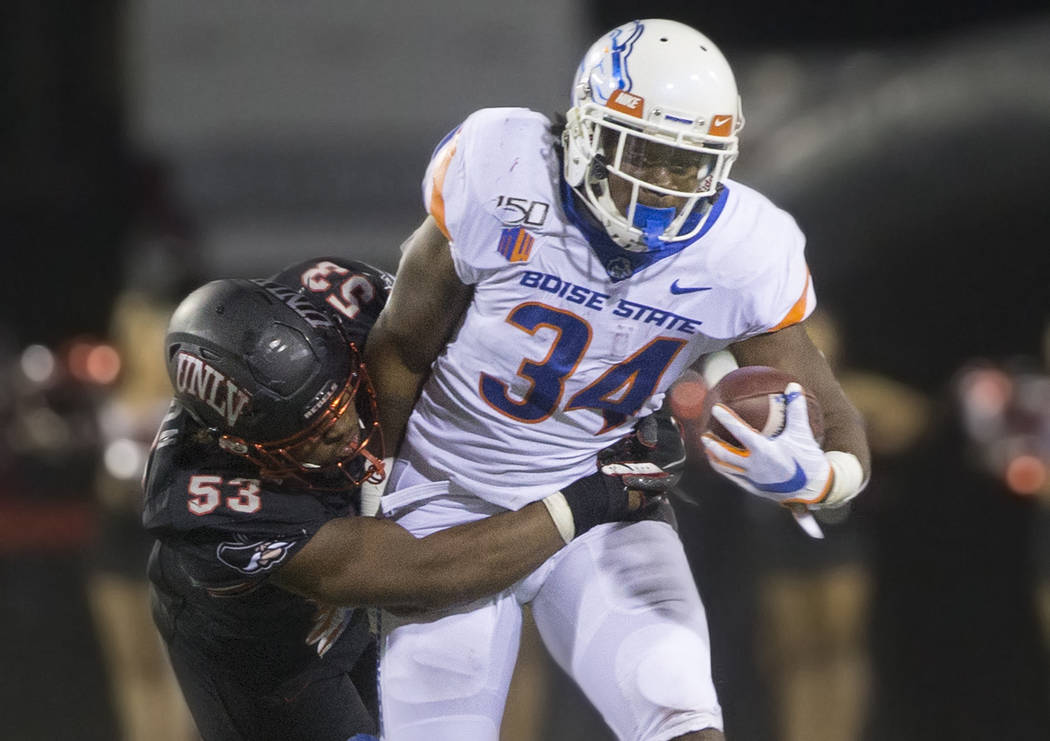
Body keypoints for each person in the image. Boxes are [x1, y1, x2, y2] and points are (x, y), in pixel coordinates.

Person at [363, 18, 871, 741]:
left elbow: (839, 415)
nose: (664, 183)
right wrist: (367, 492)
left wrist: (821, 478)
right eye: (649, 153)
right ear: (587, 131)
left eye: (688, 163)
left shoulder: (739, 248)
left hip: (600, 501)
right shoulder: (503, 170)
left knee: (685, 722)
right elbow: (402, 350)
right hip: (447, 497)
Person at [142, 256, 678, 741]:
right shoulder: (203, 501)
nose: (347, 432)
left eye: (344, 397)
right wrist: (594, 498)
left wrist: (607, 404)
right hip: (277, 662)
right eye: (310, 434)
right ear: (238, 444)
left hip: (364, 615)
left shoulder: (344, 298)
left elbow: (492, 351)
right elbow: (421, 576)